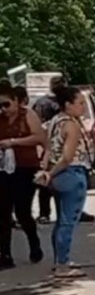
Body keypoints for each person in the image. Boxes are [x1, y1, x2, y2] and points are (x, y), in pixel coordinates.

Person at [41, 86, 93, 278]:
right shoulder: (71, 125)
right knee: (68, 221)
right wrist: (51, 172)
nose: (83, 108)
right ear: (67, 104)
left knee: (61, 220)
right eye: (80, 103)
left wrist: (48, 171)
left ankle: (59, 260)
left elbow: (48, 148)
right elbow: (67, 157)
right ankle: (62, 264)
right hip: (71, 172)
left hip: (59, 175)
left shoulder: (55, 121)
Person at [31, 75, 95, 225]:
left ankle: (44, 213)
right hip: (66, 160)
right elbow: (67, 156)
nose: (82, 107)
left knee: (47, 188)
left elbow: (40, 127)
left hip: (50, 148)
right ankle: (68, 213)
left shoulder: (40, 103)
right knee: (66, 216)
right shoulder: (65, 112)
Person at [0, 81, 46, 269]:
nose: (3, 109)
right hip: (3, 169)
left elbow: (40, 137)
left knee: (22, 211)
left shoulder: (27, 115)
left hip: (25, 168)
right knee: (2, 212)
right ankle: (5, 255)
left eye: (6, 104)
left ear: (16, 101)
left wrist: (13, 142)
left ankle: (34, 243)